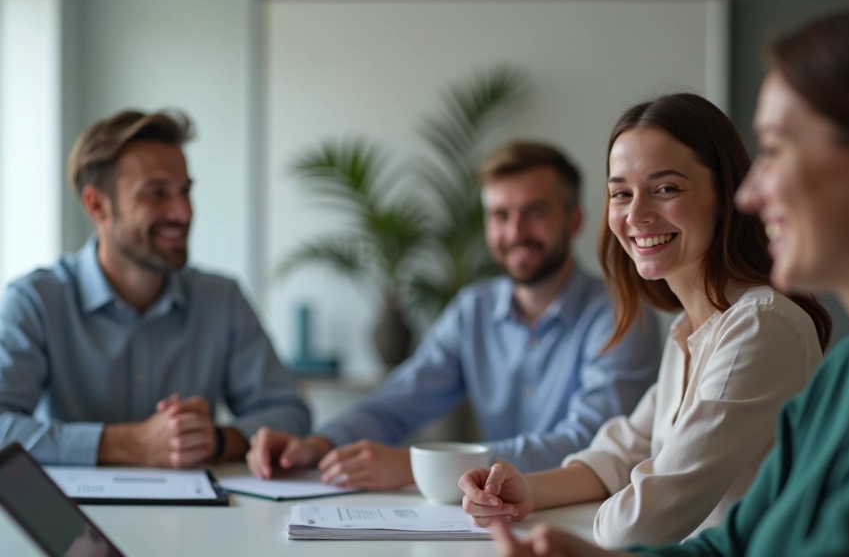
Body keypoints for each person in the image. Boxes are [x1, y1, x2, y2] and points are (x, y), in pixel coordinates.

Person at [491, 0, 849, 556]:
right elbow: (734, 544)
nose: (750, 193)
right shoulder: (848, 372)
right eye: (621, 192)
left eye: (775, 149)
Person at [460, 94, 831, 547]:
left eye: (666, 188)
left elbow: (638, 525)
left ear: (725, 196)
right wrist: (527, 491)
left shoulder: (759, 326)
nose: (636, 215)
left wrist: (584, 520)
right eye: (621, 193)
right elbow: (620, 452)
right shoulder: (688, 329)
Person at [247, 141, 662, 490]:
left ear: (574, 221)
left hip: (590, 518)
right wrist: (320, 444)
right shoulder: (472, 309)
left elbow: (589, 442)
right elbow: (399, 401)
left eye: (535, 212)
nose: (515, 232)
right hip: (494, 513)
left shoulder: (624, 313)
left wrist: (423, 467)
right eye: (500, 215)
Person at [0, 110, 311, 468]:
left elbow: (289, 413)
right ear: (97, 205)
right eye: (156, 194)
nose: (183, 212)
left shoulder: (222, 299)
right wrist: (127, 444)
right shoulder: (35, 302)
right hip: (66, 506)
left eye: (185, 191)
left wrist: (215, 440)